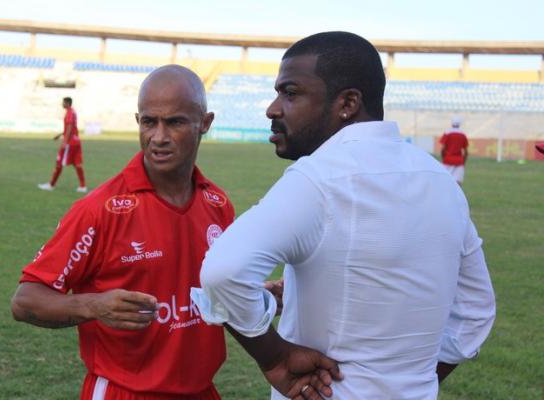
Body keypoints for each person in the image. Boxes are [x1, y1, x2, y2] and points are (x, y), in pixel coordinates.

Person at [192, 32, 496, 400]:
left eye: (290, 93)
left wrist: (275, 358)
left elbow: (224, 272)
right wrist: (408, 382)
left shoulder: (320, 177)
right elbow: (476, 312)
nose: (273, 109)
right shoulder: (440, 181)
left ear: (348, 103)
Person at [12, 65, 236, 399]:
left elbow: (207, 291)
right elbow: (26, 300)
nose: (158, 137)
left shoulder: (217, 203)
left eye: (174, 122)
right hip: (124, 391)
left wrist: (257, 294)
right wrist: (94, 306)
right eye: (149, 121)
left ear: (205, 123)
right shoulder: (99, 210)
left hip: (201, 391)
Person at [38, 97, 87, 192]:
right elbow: (71, 127)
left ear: (67, 103)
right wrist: (60, 135)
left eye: (63, 102)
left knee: (59, 162)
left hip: (70, 143)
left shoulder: (69, 112)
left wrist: (65, 141)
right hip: (76, 141)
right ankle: (83, 186)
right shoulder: (73, 112)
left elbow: (69, 127)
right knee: (77, 164)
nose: (62, 104)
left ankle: (51, 185)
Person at [440, 116, 469, 185]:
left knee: (446, 183)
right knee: (458, 185)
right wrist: (463, 162)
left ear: (452, 123)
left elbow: (442, 149)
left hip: (447, 160)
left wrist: (444, 158)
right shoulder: (463, 134)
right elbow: (466, 152)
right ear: (460, 124)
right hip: (459, 161)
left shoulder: (447, 133)